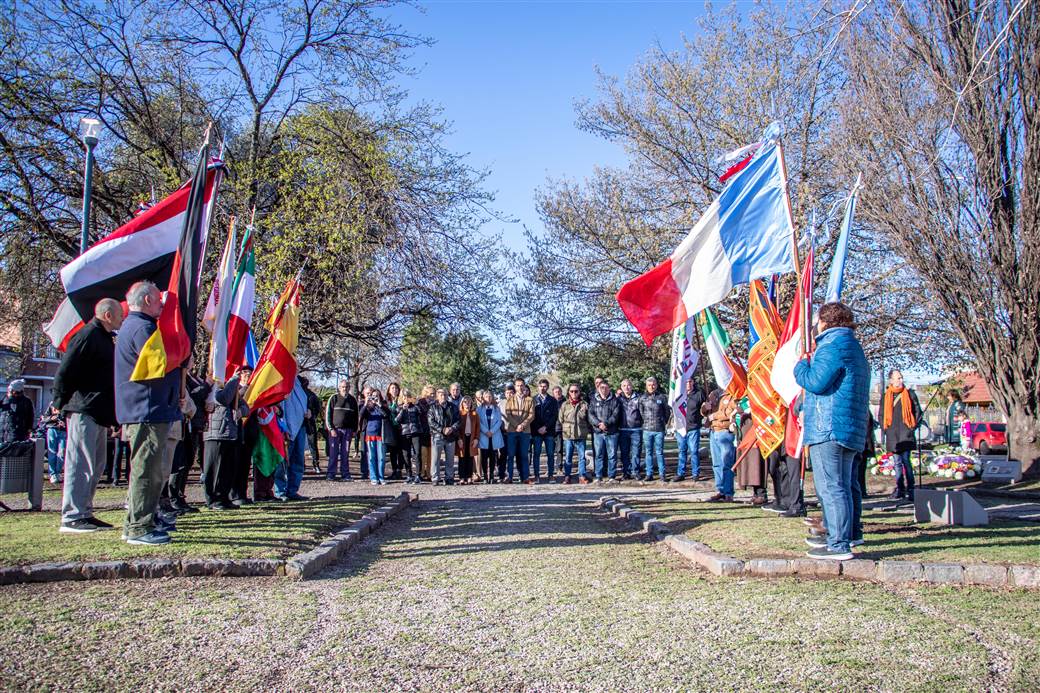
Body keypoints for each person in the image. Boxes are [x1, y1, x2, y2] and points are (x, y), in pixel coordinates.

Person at [794, 302, 870, 561]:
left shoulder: (832, 344)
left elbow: (816, 381)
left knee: (832, 487)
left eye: (817, 321)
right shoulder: (853, 345)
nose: (815, 325)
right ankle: (851, 532)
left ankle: (838, 544)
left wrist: (799, 367)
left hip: (829, 427)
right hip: (848, 426)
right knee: (847, 486)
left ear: (825, 321)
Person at [114, 281, 181, 545]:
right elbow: (158, 364)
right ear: (145, 300)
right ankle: (138, 526)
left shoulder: (138, 326)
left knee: (152, 469)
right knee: (146, 469)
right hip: (146, 408)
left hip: (149, 407)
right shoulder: (141, 328)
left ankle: (146, 519)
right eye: (158, 300)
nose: (162, 305)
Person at [49, 298, 121, 533]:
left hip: (98, 411)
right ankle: (72, 515)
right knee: (80, 462)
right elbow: (66, 369)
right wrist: (59, 401)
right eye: (120, 313)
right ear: (107, 315)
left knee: (96, 464)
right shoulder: (87, 335)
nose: (123, 317)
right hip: (83, 409)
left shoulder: (105, 339)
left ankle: (84, 511)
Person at [166, 359, 211, 513]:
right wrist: (208, 385)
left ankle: (179, 494)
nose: (191, 361)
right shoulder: (180, 377)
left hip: (191, 424)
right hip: (180, 423)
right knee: (178, 462)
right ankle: (172, 496)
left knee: (186, 462)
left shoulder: (191, 377)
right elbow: (195, 395)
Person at [203, 366, 251, 510]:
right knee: (215, 468)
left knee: (228, 468)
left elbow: (245, 407)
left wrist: (240, 411)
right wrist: (234, 380)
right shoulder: (214, 388)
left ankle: (224, 497)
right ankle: (213, 499)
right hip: (216, 432)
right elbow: (223, 399)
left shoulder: (230, 387)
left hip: (231, 433)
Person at [880, 369, 922, 502]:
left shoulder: (909, 394)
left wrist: (912, 426)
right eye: (898, 378)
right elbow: (881, 415)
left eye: (901, 377)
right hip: (893, 434)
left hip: (906, 433)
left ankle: (911, 489)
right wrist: (885, 428)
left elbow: (917, 412)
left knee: (906, 461)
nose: (900, 380)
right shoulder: (886, 396)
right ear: (891, 380)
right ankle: (900, 489)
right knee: (897, 463)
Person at [274, 376, 309, 501]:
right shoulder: (283, 381)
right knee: (283, 462)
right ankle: (280, 490)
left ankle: (292, 490)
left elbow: (304, 402)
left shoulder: (299, 384)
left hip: (300, 427)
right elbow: (281, 406)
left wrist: (308, 411)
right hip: (287, 428)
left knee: (298, 461)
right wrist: (285, 427)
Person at [705, 391, 738, 502]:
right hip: (713, 431)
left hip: (725, 432)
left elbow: (732, 411)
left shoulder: (732, 396)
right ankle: (721, 490)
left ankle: (728, 492)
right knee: (717, 464)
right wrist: (705, 407)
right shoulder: (714, 394)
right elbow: (705, 412)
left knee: (726, 464)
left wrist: (714, 415)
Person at [588, 378, 621, 483]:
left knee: (612, 455)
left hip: (612, 432)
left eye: (606, 387)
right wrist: (599, 424)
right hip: (598, 432)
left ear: (609, 388)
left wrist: (606, 424)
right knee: (599, 455)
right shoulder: (593, 401)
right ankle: (598, 476)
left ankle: (612, 476)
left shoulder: (615, 401)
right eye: (601, 387)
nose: (604, 389)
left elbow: (616, 415)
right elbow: (590, 415)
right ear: (598, 388)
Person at [638, 376, 670, 483]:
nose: (651, 386)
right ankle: (649, 474)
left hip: (659, 429)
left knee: (659, 452)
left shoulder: (662, 397)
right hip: (647, 429)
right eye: (649, 385)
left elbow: (667, 413)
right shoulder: (642, 398)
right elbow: (641, 413)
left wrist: (662, 422)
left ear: (656, 385)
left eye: (653, 384)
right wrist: (646, 422)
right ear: (646, 386)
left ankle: (662, 474)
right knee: (648, 452)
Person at [325, 380, 358, 481]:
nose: (345, 389)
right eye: (343, 387)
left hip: (348, 430)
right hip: (335, 430)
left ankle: (345, 474)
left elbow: (356, 416)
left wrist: (355, 430)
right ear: (339, 388)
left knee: (345, 453)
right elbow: (328, 414)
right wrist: (331, 428)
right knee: (333, 453)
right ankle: (331, 474)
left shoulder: (352, 400)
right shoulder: (334, 398)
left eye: (347, 387)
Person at [558, 384, 591, 484]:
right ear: (568, 392)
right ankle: (567, 476)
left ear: (579, 392)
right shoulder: (564, 405)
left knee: (582, 458)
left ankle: (582, 476)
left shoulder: (584, 404)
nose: (574, 393)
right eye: (571, 391)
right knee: (568, 458)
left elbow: (588, 419)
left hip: (581, 435)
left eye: (576, 391)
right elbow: (561, 419)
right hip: (568, 435)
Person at [503, 381, 534, 483]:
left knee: (524, 455)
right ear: (515, 387)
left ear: (524, 386)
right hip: (512, 430)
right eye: (518, 385)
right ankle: (510, 477)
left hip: (525, 431)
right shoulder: (510, 399)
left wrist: (523, 425)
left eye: (521, 385)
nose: (520, 387)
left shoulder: (530, 400)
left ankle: (525, 477)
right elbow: (508, 414)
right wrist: (517, 425)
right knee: (510, 454)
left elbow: (531, 415)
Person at [675, 379, 706, 482]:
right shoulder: (678, 395)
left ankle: (695, 474)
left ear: (693, 382)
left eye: (690, 381)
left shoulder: (699, 394)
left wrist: (701, 418)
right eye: (686, 381)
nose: (688, 384)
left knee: (694, 451)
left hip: (693, 428)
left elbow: (705, 409)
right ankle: (680, 473)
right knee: (682, 451)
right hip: (681, 428)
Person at [428, 388, 459, 484]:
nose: (443, 396)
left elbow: (458, 421)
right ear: (437, 396)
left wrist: (452, 428)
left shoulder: (453, 407)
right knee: (435, 459)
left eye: (445, 394)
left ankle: (449, 477)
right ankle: (435, 478)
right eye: (441, 394)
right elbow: (431, 422)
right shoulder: (432, 407)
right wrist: (442, 429)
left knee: (450, 459)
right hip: (437, 436)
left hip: (450, 436)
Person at [531, 379, 559, 482]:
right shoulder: (533, 400)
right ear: (538, 387)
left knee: (550, 454)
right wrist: (539, 428)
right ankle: (536, 475)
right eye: (541, 386)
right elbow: (531, 416)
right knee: (536, 454)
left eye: (544, 386)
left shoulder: (552, 400)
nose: (543, 388)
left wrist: (545, 427)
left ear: (547, 387)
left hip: (549, 431)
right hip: (536, 431)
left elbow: (554, 416)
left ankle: (551, 475)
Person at [358, 390, 388, 485]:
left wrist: (379, 405)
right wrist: (366, 403)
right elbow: (361, 415)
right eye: (373, 396)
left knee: (382, 458)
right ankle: (373, 477)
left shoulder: (382, 406)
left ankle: (381, 477)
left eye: (377, 396)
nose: (374, 398)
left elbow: (385, 415)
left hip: (380, 435)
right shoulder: (367, 407)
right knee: (371, 457)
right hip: (370, 434)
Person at [617, 379, 643, 481]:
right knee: (624, 453)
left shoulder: (639, 398)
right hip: (623, 430)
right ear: (621, 387)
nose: (626, 387)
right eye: (624, 386)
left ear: (631, 386)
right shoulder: (618, 399)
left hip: (636, 429)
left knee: (636, 452)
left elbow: (643, 412)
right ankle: (626, 472)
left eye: (628, 385)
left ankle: (635, 472)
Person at [395, 389, 423, 483]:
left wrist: (416, 403)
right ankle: (409, 475)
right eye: (404, 397)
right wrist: (403, 409)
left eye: (407, 396)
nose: (406, 399)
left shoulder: (415, 407)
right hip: (404, 433)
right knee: (406, 455)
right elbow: (397, 420)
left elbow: (421, 413)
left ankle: (418, 475)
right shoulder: (399, 407)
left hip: (416, 432)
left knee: (417, 454)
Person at [478, 390, 504, 483]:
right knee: (484, 457)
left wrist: (492, 431)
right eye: (486, 397)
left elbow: (499, 421)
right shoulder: (479, 409)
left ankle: (492, 476)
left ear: (492, 397)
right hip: (484, 435)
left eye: (490, 396)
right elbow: (479, 422)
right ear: (483, 398)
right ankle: (485, 476)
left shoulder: (496, 408)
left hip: (494, 435)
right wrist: (486, 431)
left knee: (493, 456)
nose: (488, 398)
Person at [0, 379, 35, 444]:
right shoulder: (5, 398)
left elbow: (30, 417)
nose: (8, 391)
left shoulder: (25, 402)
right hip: (2, 432)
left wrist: (29, 429)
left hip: (15, 434)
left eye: (10, 390)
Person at [40, 403, 66, 484]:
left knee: (62, 452)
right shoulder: (52, 405)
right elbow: (44, 418)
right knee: (52, 452)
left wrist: (64, 422)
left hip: (63, 431)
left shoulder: (68, 404)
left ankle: (58, 472)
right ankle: (53, 474)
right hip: (52, 429)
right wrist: (51, 418)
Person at [457, 395, 480, 484]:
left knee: (470, 458)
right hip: (462, 438)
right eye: (465, 402)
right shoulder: (459, 413)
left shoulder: (474, 414)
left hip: (471, 438)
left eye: (469, 402)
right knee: (462, 458)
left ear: (471, 404)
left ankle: (469, 476)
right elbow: (457, 428)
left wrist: (476, 439)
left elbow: (478, 427)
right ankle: (462, 477)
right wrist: (458, 438)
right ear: (462, 404)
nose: (467, 404)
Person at [301, 376, 322, 473]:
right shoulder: (309, 395)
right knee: (308, 445)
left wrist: (312, 414)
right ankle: (312, 464)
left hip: (309, 423)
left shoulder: (311, 395)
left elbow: (318, 408)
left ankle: (315, 464)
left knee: (312, 445)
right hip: (302, 423)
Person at [384, 382, 404, 479]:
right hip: (390, 428)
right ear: (389, 390)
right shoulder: (386, 401)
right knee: (393, 451)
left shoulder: (401, 400)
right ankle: (394, 470)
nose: (394, 390)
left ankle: (400, 470)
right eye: (392, 388)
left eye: (396, 388)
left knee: (400, 450)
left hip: (400, 428)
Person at [417, 385, 435, 481]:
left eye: (433, 394)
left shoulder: (436, 404)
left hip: (432, 432)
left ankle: (429, 473)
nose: (432, 396)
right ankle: (422, 473)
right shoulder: (420, 403)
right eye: (430, 394)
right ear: (425, 394)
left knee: (431, 455)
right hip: (423, 432)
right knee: (423, 454)